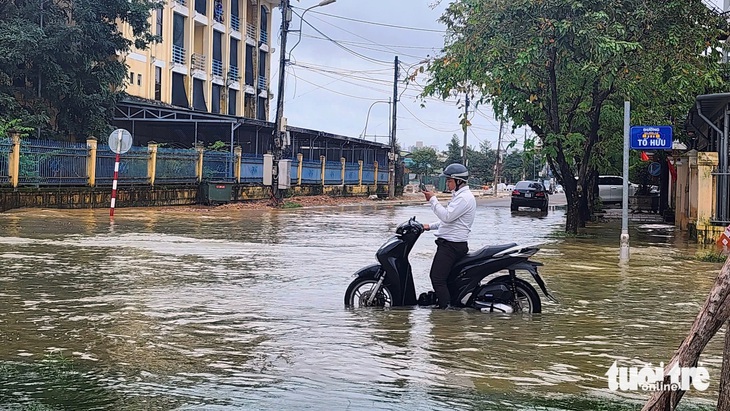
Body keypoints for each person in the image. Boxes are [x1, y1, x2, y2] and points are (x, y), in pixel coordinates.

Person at [421, 163, 476, 309]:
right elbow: (450, 221)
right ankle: (449, 305)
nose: (447, 183)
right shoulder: (460, 196)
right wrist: (429, 226)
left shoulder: (463, 198)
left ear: (459, 181)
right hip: (453, 244)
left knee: (437, 279)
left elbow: (447, 217)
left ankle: (445, 313)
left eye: (449, 180)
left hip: (451, 247)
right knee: (448, 280)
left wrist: (433, 199)